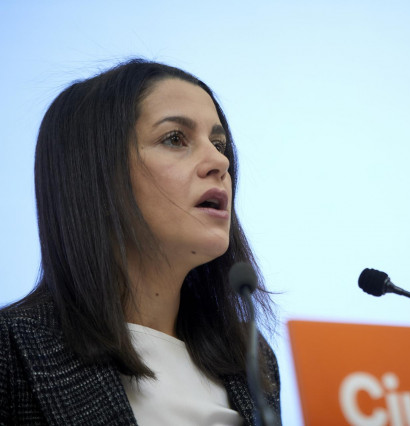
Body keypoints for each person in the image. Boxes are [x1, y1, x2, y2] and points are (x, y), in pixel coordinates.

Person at [0, 59, 280, 425]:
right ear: (96, 174)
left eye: (218, 143)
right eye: (175, 139)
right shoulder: (12, 350)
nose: (218, 161)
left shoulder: (251, 357)